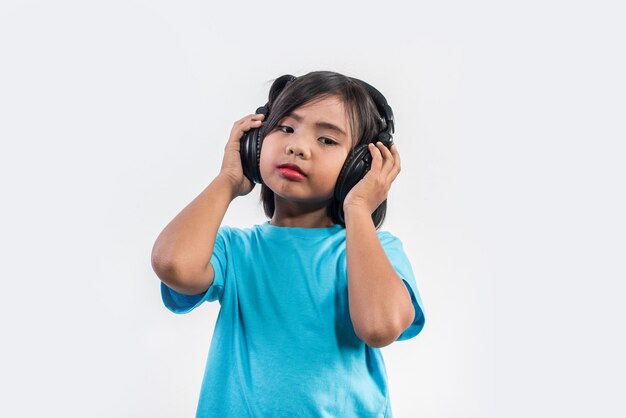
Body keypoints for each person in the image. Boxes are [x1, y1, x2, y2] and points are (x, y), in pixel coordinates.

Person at [151, 71, 426, 417]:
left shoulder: (377, 251)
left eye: (327, 140)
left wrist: (357, 208)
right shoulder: (236, 251)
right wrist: (229, 179)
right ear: (255, 143)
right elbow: (173, 264)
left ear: (361, 167)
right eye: (285, 128)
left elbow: (379, 326)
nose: (297, 146)